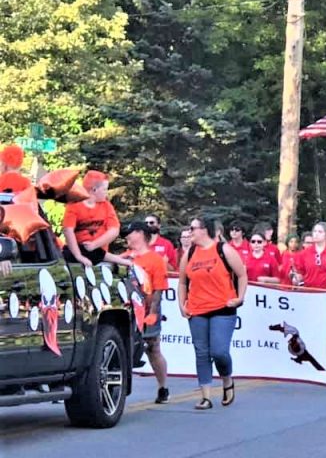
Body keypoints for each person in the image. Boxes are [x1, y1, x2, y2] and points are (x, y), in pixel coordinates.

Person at [177, 216, 248, 410]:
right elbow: (182, 281)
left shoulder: (223, 249)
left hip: (222, 307)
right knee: (201, 352)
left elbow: (242, 274)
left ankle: (227, 380)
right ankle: (206, 396)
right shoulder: (190, 253)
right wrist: (181, 304)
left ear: (204, 230)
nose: (190, 232)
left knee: (219, 351)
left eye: (193, 228)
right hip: (197, 308)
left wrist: (240, 297)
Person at [124, 222, 171, 404]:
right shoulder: (124, 257)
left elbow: (159, 289)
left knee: (153, 348)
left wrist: (152, 313)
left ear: (140, 234)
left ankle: (163, 386)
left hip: (148, 307)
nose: (127, 237)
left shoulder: (155, 259)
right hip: (129, 311)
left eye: (130, 233)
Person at [293, 222, 326, 351]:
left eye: (320, 232)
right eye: (314, 231)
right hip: (309, 294)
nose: (316, 234)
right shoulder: (305, 253)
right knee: (309, 322)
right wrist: (296, 277)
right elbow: (298, 272)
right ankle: (310, 348)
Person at [62, 170, 124, 266]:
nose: (106, 193)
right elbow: (68, 230)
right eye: (104, 189)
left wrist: (94, 244)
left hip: (99, 254)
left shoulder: (106, 205)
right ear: (94, 190)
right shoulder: (74, 205)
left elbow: (114, 230)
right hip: (80, 252)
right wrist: (78, 255)